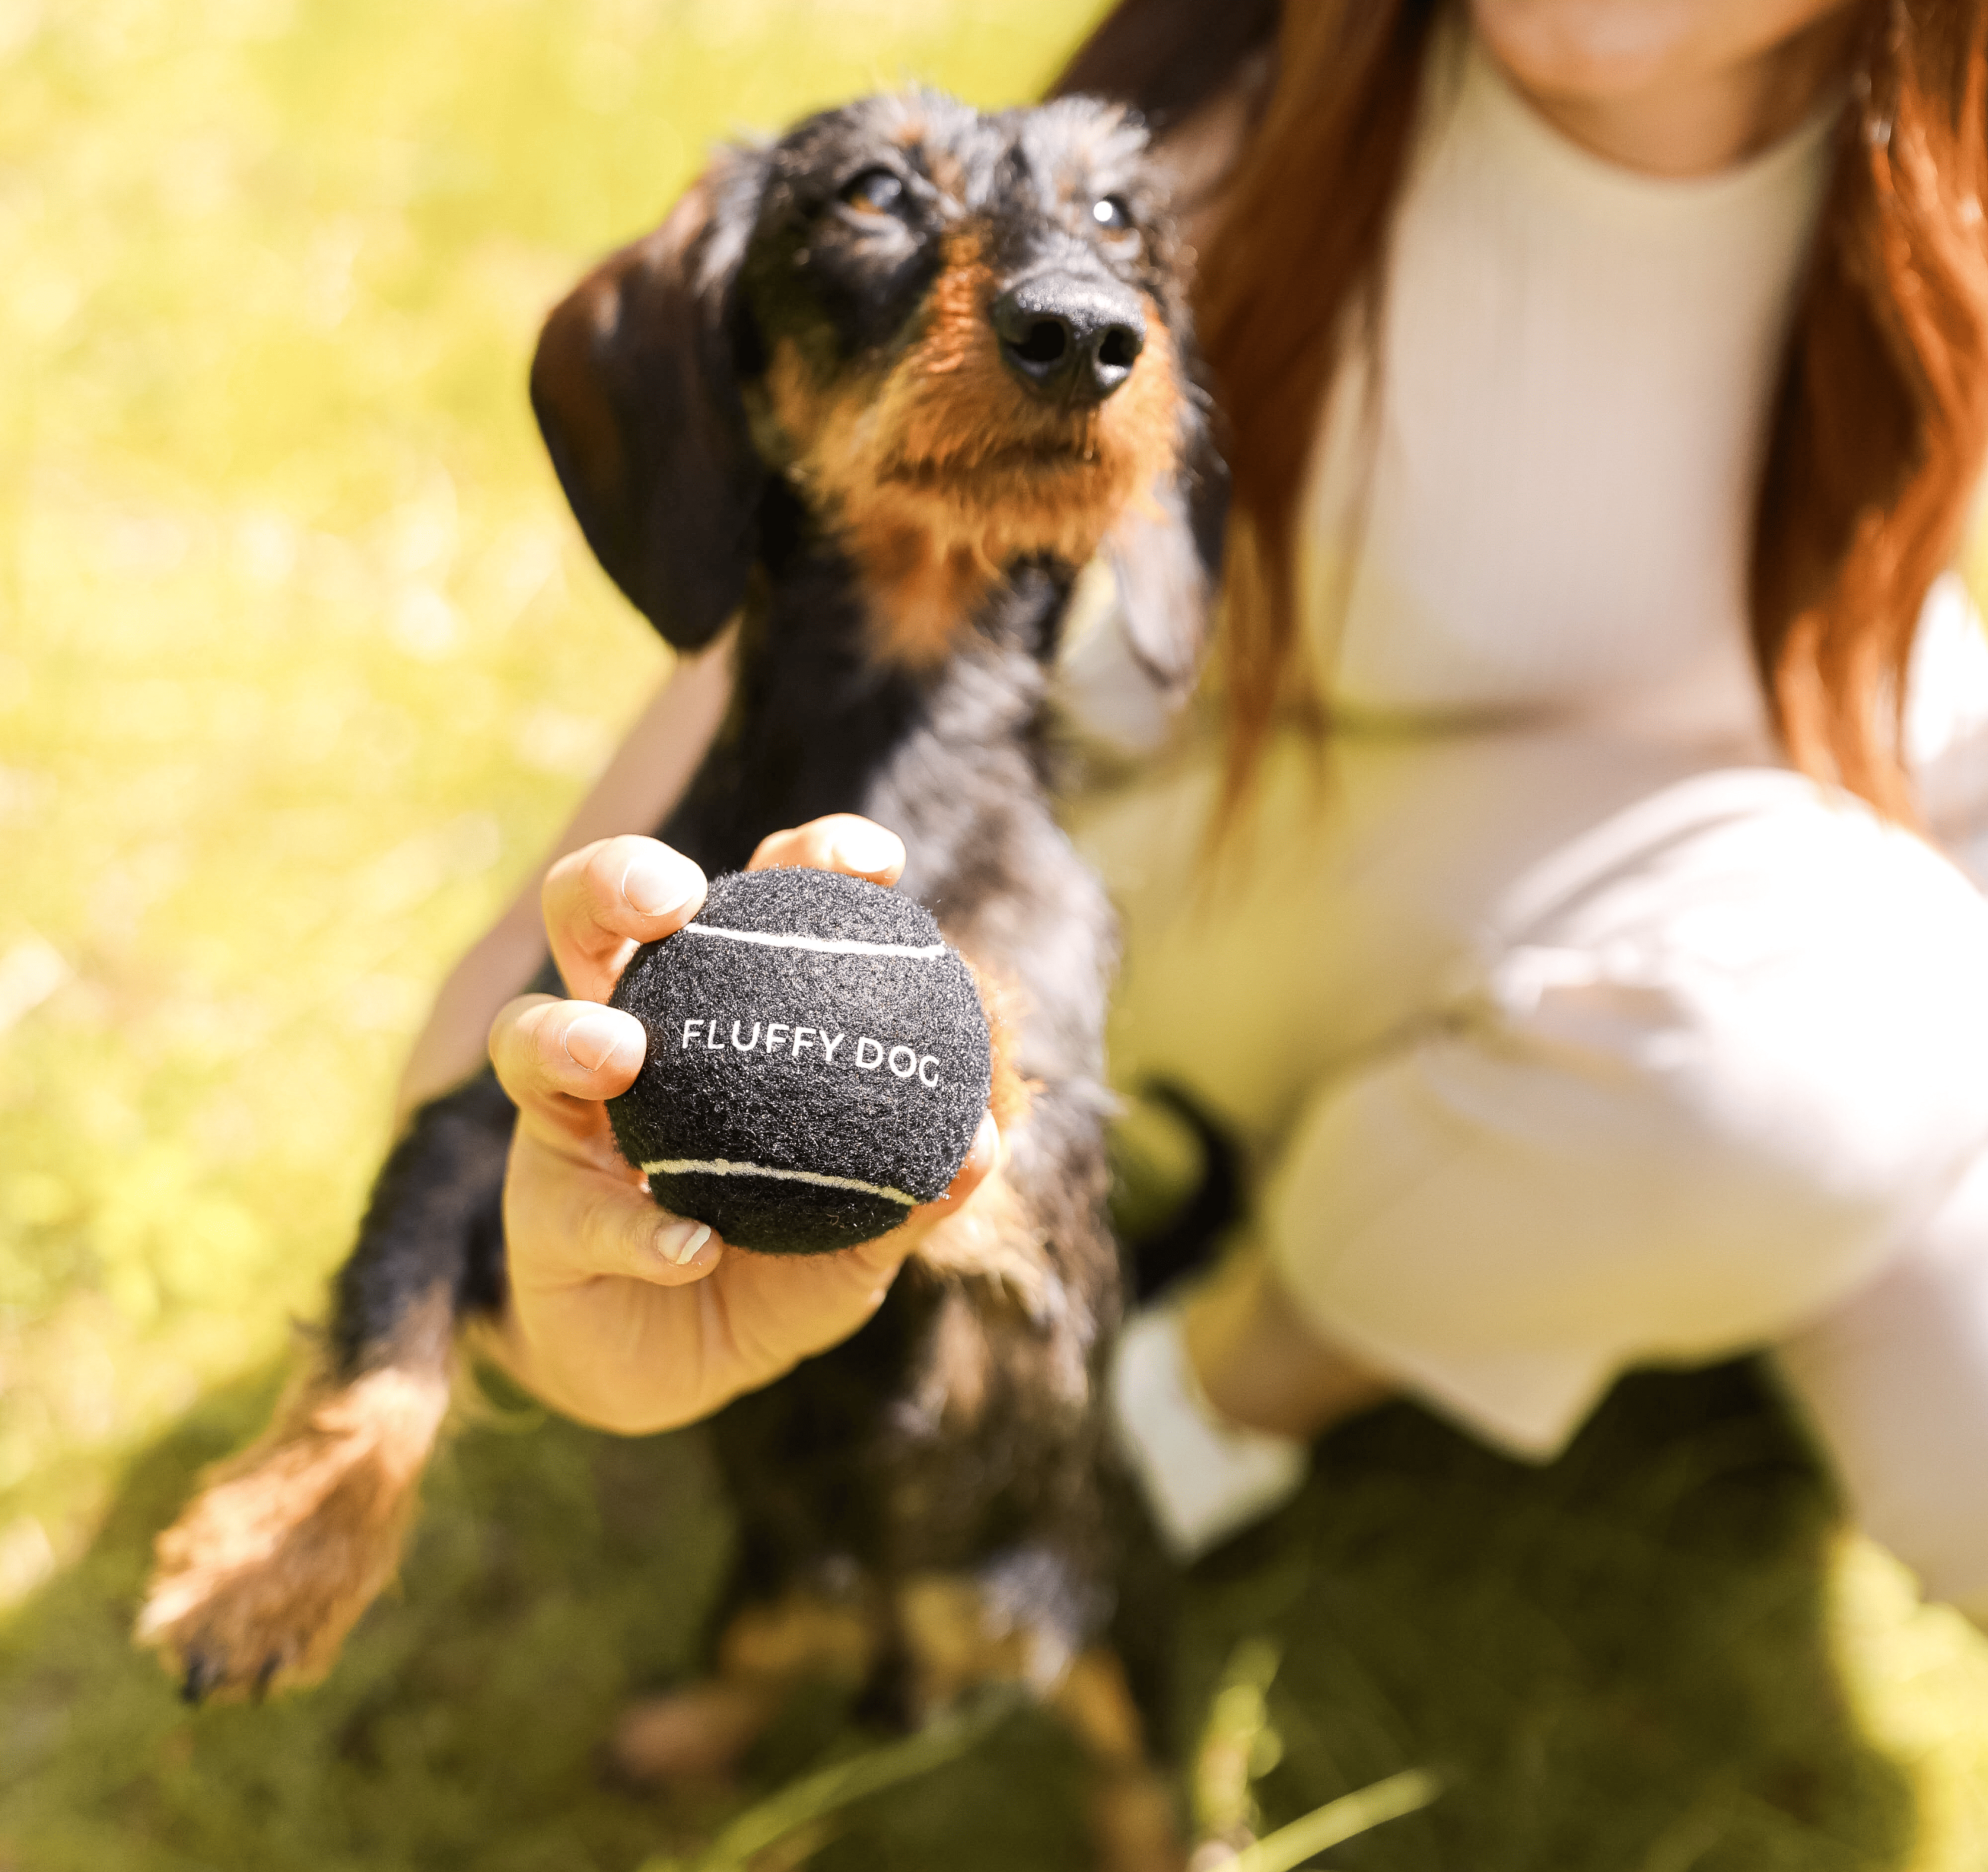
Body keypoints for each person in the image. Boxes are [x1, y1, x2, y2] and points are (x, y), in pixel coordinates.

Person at [406, 0, 1988, 1611]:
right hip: (1256, 887)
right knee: (1805, 1070)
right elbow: (773, 650)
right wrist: (543, 1261)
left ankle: (1600, 1210)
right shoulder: (1228, 115)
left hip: (1814, 851)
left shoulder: (1949, 163)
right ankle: (1188, 1404)